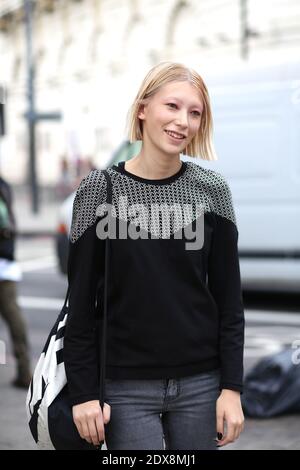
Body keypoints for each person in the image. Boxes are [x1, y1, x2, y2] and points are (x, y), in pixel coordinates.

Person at [64, 61, 245, 450]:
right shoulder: (99, 189)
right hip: (123, 387)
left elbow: (230, 302)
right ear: (143, 109)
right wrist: (83, 393)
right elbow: (78, 304)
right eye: (173, 106)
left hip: (201, 383)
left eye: (194, 113)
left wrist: (231, 388)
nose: (183, 121)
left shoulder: (212, 190)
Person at [0, 175, 31, 388]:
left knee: (13, 316)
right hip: (5, 261)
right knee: (13, 317)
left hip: (3, 263)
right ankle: (24, 369)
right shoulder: (4, 184)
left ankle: (24, 370)